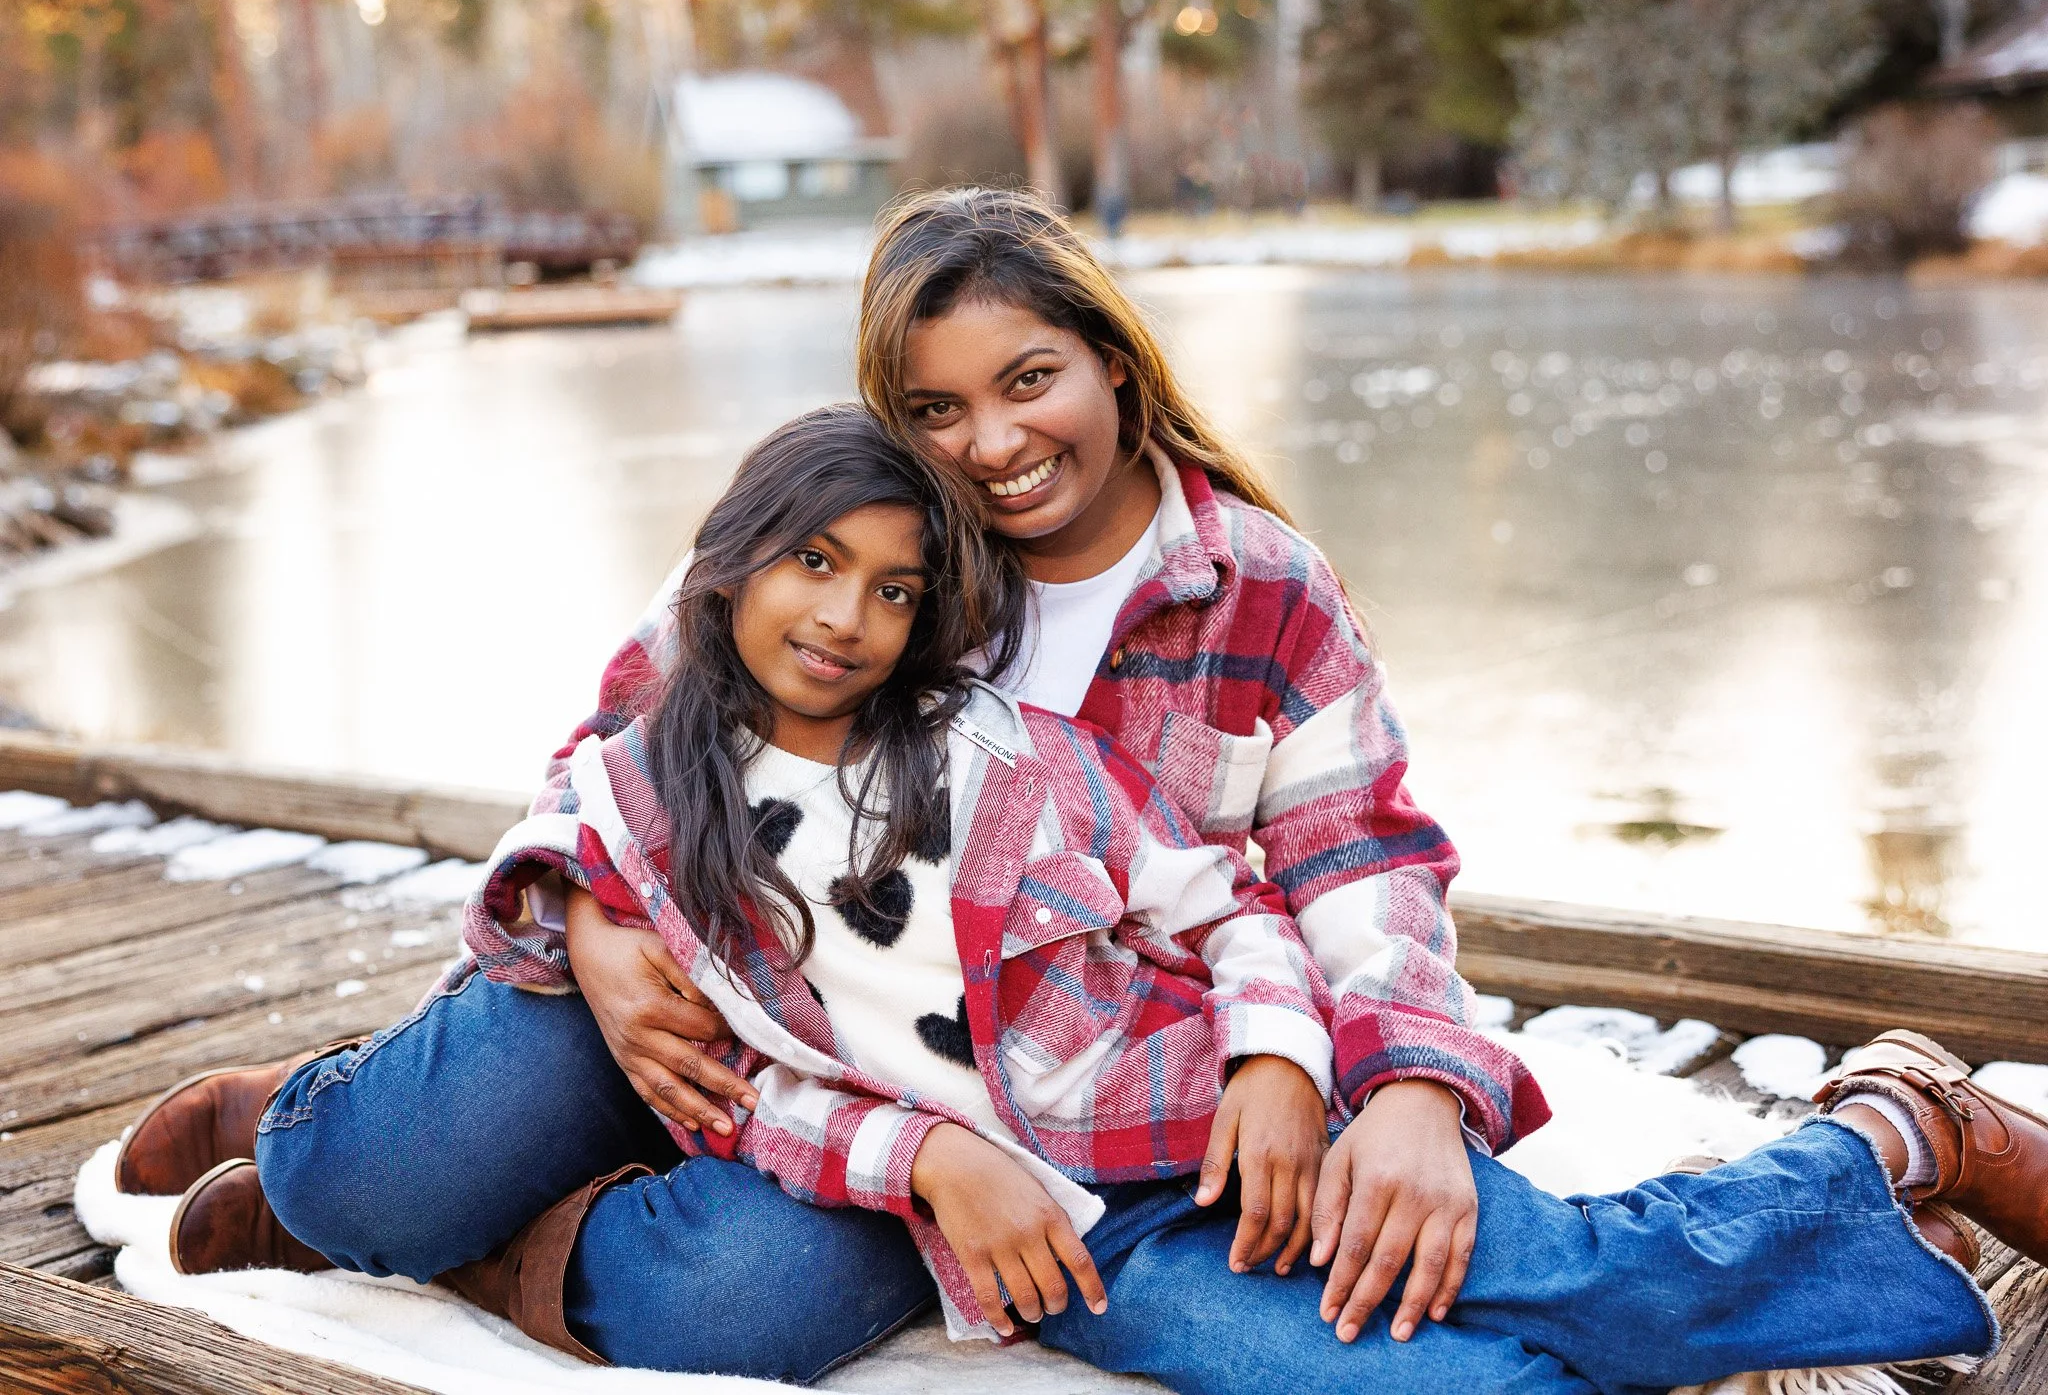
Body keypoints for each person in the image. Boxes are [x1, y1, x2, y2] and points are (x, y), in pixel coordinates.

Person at [124, 190, 2042, 1387]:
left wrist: (1375, 1076)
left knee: (751, 1309)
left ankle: (503, 1240)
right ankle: (328, 1148)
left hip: (1031, 1098)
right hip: (697, 996)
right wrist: (606, 922)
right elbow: (618, 742)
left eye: (1030, 381)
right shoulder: (868, 550)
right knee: (371, 1168)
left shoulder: (1257, 593)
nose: (995, 445)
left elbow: (1356, 861)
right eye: (943, 409)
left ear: (1114, 360)